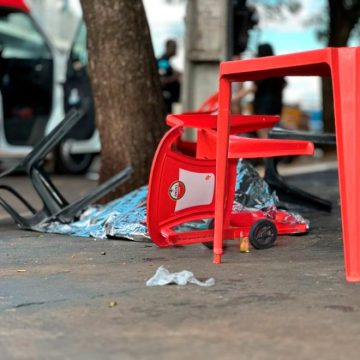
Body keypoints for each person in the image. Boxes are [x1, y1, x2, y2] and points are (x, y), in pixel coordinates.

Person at [157, 39, 181, 114]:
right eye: (174, 47)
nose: (176, 50)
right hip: (166, 97)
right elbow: (162, 80)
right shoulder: (163, 62)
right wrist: (175, 77)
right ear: (168, 47)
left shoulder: (167, 62)